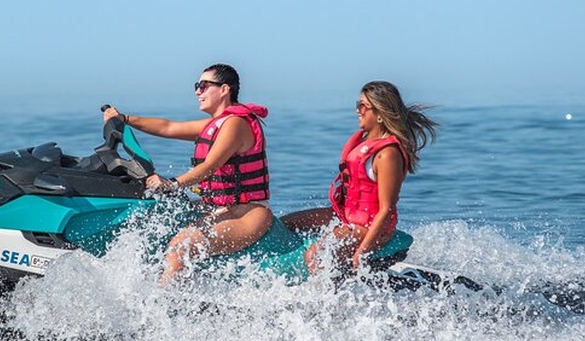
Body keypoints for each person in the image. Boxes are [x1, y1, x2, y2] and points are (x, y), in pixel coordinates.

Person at [102, 63, 273, 284]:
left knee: (179, 248)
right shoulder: (215, 124)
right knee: (154, 217)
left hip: (246, 213)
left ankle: (160, 308)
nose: (197, 92)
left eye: (204, 85)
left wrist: (171, 183)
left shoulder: (236, 124)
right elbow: (168, 127)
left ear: (224, 89)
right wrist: (124, 118)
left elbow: (209, 167)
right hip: (217, 207)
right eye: (196, 86)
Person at [281, 81, 437, 278]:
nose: (358, 110)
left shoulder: (387, 155)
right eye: (358, 104)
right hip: (346, 215)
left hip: (369, 225)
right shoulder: (363, 143)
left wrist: (362, 252)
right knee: (286, 223)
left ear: (380, 114)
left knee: (316, 255)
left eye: (364, 106)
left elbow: (386, 209)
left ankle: (327, 302)